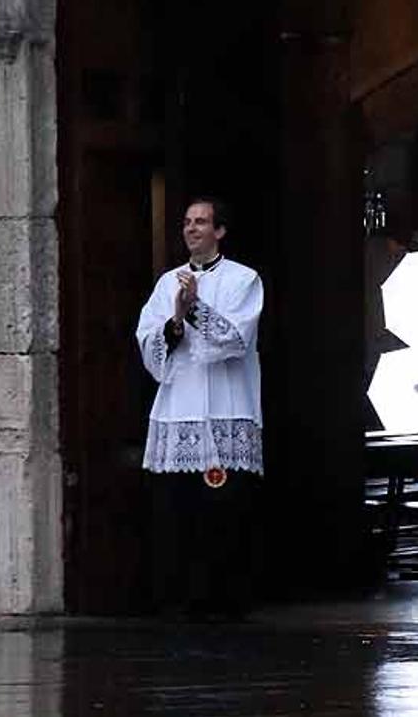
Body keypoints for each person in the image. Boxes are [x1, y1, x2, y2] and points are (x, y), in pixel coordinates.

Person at [135, 197, 264, 618]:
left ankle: (225, 605)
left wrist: (195, 311)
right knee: (179, 514)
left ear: (219, 231)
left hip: (227, 409)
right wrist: (175, 321)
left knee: (223, 516)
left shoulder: (244, 280)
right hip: (179, 410)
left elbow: (235, 339)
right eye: (187, 222)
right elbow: (149, 343)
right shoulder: (166, 282)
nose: (191, 229)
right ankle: (178, 603)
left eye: (201, 222)